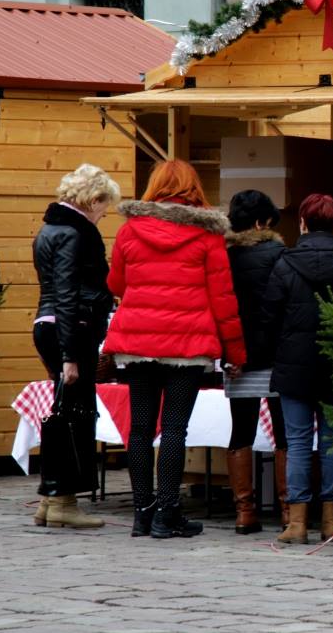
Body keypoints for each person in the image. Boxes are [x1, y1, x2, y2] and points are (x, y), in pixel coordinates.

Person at [103, 160, 246, 539]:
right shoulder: (207, 234)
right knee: (174, 429)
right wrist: (235, 351)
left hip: (136, 342)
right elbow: (223, 297)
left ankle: (141, 513)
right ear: (193, 187)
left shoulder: (130, 230)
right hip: (187, 344)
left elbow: (116, 282)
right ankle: (167, 513)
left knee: (139, 430)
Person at [264, 193, 333, 545]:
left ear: (302, 223)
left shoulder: (285, 264)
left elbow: (269, 317)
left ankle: (298, 523)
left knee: (299, 442)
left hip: (294, 365)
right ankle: (332, 521)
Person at [31, 164, 120, 529]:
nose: (103, 215)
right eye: (104, 208)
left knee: (61, 413)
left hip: (48, 324)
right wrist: (70, 354)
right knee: (74, 416)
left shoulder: (48, 229)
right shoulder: (76, 233)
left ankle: (50, 499)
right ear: (93, 200)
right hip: (73, 328)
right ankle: (63, 500)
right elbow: (67, 293)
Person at [224, 189, 288, 534]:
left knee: (241, 430)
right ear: (264, 222)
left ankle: (244, 512)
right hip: (277, 358)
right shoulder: (281, 254)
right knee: (284, 434)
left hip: (239, 358)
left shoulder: (223, 257)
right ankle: (289, 511)